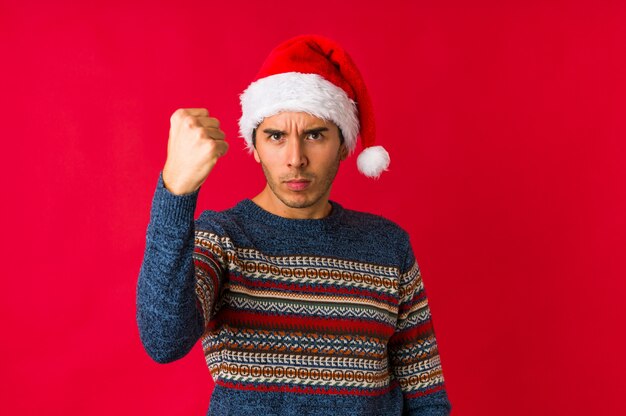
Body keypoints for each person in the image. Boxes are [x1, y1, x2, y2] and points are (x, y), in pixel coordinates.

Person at [136, 34, 452, 415]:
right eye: (276, 136)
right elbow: (163, 339)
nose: (295, 158)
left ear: (344, 145)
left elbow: (427, 399)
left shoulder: (388, 246)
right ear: (254, 146)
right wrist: (176, 193)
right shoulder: (222, 239)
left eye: (315, 135)